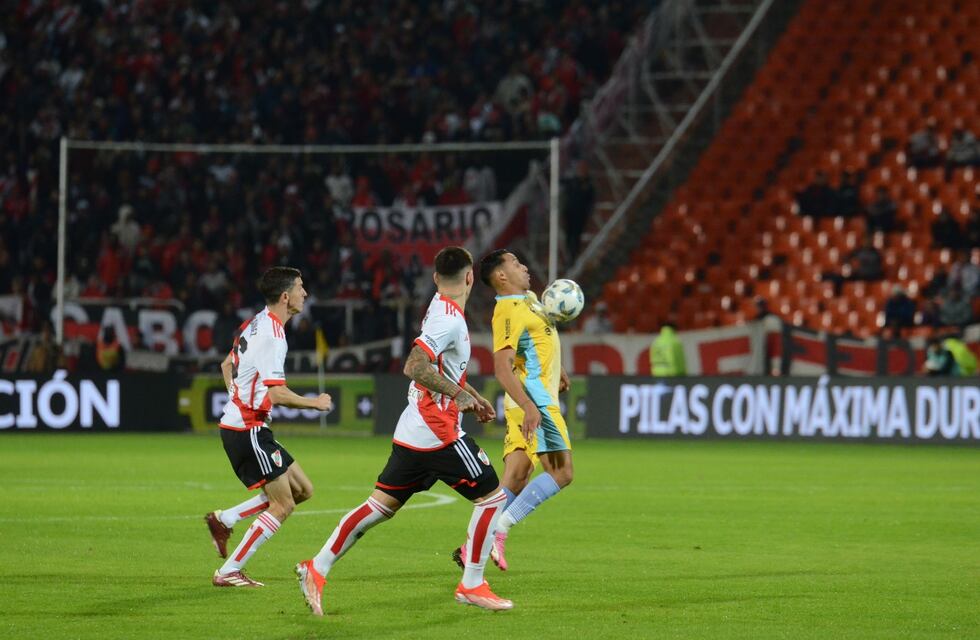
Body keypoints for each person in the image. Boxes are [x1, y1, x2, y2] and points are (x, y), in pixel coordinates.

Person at [295, 247, 512, 615]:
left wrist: (471, 396)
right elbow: (415, 365)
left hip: (413, 429)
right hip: (437, 431)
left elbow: (439, 367)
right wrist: (458, 393)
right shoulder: (451, 321)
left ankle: (317, 567)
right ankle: (473, 583)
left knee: (378, 507)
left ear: (435, 279)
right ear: (471, 277)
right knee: (493, 499)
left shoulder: (438, 307)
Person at [205, 267, 333, 588]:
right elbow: (277, 394)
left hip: (247, 426)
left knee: (303, 490)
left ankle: (226, 519)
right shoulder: (273, 335)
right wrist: (315, 403)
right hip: (248, 430)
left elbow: (226, 366)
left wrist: (236, 396)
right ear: (286, 296)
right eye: (301, 288)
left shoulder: (255, 321)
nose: (306, 293)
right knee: (283, 504)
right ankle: (229, 571)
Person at [450, 249, 574, 573]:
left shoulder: (531, 298)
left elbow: (538, 341)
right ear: (501, 276)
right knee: (562, 473)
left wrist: (557, 369)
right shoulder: (507, 311)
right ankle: (500, 529)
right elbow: (502, 369)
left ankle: (470, 546)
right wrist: (531, 406)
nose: (525, 266)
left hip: (535, 399)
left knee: (517, 476)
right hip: (534, 402)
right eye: (517, 264)